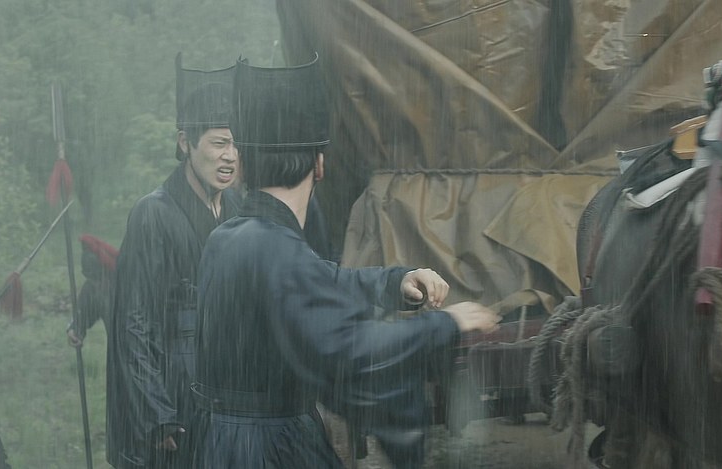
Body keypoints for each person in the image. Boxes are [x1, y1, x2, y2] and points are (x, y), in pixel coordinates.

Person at [191, 55, 501, 468]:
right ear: (320, 166)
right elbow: (349, 351)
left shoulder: (232, 237)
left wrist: (396, 282)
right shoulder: (275, 247)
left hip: (228, 441)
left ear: (244, 165)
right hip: (267, 448)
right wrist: (446, 324)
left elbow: (322, 280)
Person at [105, 53, 241, 469]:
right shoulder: (154, 214)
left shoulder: (237, 208)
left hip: (223, 394)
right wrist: (157, 413)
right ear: (185, 143)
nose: (231, 156)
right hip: (173, 398)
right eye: (219, 143)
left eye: (237, 144)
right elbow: (133, 322)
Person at [66, 233, 119, 347]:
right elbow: (82, 312)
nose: (95, 284)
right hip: (118, 352)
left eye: (97, 280)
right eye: (90, 278)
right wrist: (74, 330)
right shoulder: (92, 289)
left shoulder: (130, 286)